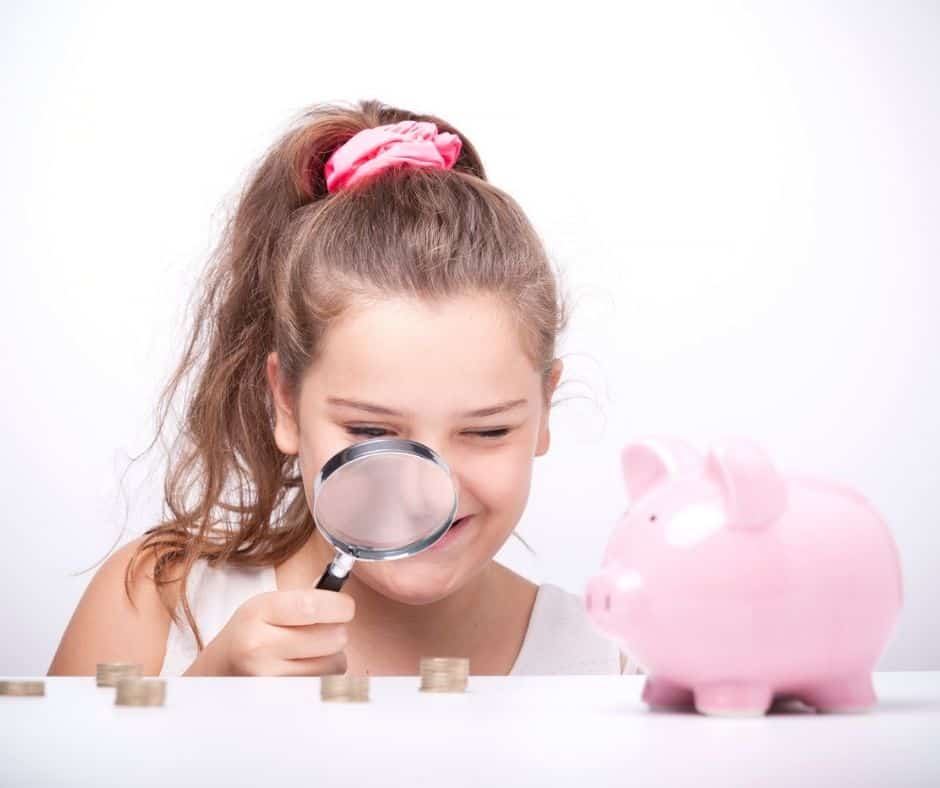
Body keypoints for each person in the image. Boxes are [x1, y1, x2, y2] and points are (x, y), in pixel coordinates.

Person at [48, 99, 643, 678]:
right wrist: (207, 704)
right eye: (370, 431)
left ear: (543, 412)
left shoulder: (604, 664)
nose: (422, 493)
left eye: (487, 430)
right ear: (285, 402)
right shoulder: (155, 606)